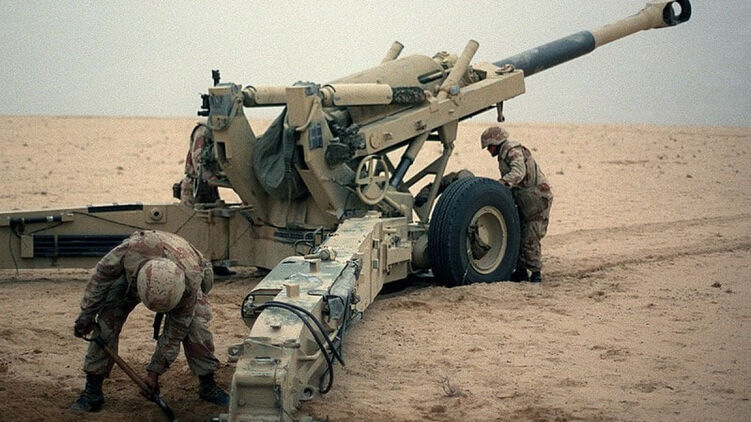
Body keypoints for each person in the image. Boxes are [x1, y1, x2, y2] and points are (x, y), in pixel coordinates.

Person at [70, 230, 229, 413]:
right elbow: (101, 278)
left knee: (196, 327)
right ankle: (93, 390)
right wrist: (87, 314)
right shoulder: (131, 250)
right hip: (133, 277)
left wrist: (154, 374)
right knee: (106, 323)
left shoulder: (190, 284)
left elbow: (174, 333)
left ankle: (208, 385)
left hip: (186, 271)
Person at [480, 126, 553, 283]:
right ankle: (521, 271)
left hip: (536, 200)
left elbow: (518, 172)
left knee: (530, 237)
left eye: (489, 146)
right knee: (518, 235)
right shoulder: (504, 154)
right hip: (525, 199)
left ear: (496, 142)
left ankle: (535, 273)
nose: (488, 150)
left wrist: (501, 184)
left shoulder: (512, 151)